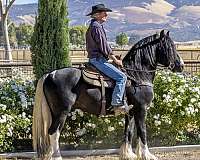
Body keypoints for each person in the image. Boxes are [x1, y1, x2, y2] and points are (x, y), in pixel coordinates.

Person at [85, 4, 130, 114]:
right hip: (98, 60)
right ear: (97, 15)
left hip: (97, 59)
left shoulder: (94, 25)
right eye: (104, 12)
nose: (106, 14)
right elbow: (104, 47)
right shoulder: (96, 27)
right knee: (122, 77)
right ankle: (117, 104)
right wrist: (115, 60)